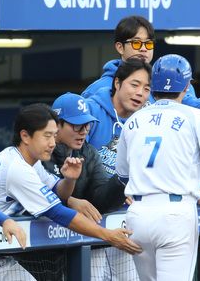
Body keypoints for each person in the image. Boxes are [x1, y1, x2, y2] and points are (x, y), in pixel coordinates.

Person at [0, 103, 142, 280]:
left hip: (1, 257)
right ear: (25, 136)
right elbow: (58, 212)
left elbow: (58, 191)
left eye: (54, 136)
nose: (52, 143)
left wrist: (70, 180)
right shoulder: (16, 168)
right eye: (47, 136)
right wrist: (107, 235)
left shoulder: (27, 160)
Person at [115, 54, 200, 281]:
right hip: (176, 214)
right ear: (186, 86)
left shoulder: (133, 121)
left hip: (138, 216)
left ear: (152, 86)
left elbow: (123, 176)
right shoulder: (199, 118)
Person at [43, 92, 137, 281]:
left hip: (82, 243)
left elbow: (101, 197)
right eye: (77, 124)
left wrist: (123, 179)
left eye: (87, 124)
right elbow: (33, 194)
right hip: (39, 252)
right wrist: (70, 201)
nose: (84, 130)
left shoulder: (88, 153)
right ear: (56, 125)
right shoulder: (42, 152)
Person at [81, 15, 200, 121]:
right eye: (137, 43)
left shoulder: (171, 80)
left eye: (149, 43)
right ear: (119, 47)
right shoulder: (97, 90)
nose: (144, 48)